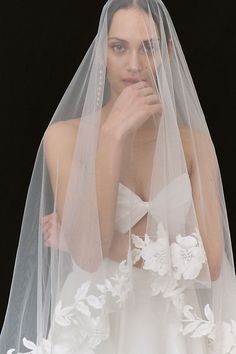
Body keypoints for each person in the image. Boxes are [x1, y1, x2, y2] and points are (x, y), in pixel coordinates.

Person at [1, 0, 236, 353]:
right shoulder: (63, 138)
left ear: (168, 54)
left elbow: (212, 264)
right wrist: (111, 137)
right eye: (119, 47)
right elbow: (89, 257)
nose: (134, 65)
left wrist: (103, 242)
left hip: (174, 331)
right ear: (101, 52)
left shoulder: (196, 145)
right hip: (96, 324)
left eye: (149, 49)